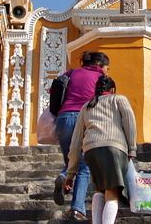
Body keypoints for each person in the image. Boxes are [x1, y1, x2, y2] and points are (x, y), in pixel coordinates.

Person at [66, 76, 137, 224]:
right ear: (113, 90)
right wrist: (132, 149)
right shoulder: (119, 99)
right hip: (113, 148)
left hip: (91, 150)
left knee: (100, 188)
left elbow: (76, 140)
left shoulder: (86, 106)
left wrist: (71, 172)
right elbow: (130, 123)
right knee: (112, 191)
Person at [53, 50, 110, 220]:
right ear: (99, 65)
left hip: (63, 119)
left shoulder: (69, 73)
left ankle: (64, 176)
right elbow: (106, 100)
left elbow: (54, 91)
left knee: (72, 161)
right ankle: (77, 209)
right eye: (107, 67)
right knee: (84, 166)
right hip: (84, 120)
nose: (107, 71)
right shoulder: (100, 78)